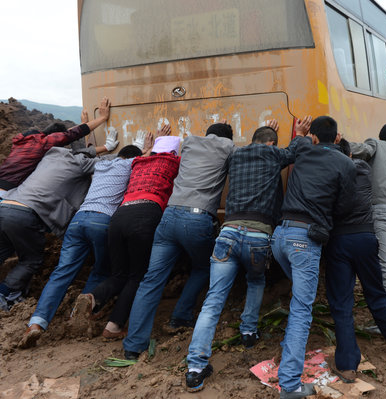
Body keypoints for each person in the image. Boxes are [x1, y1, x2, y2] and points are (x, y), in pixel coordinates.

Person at [184, 117, 312, 393]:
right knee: (255, 282)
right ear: (270, 143)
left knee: (213, 300)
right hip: (258, 234)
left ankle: (195, 368)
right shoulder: (273, 152)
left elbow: (259, 147)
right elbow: (294, 152)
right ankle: (248, 332)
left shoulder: (236, 154)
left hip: (227, 233)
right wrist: (300, 133)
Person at [121, 121, 236, 360]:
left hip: (169, 216)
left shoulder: (191, 142)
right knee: (204, 266)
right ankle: (181, 316)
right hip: (197, 218)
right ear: (228, 137)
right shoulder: (228, 146)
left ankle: (133, 346)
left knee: (151, 280)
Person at [17, 140, 147, 349]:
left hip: (78, 221)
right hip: (103, 221)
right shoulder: (131, 165)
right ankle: (81, 315)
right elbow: (142, 162)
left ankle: (36, 323)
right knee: (101, 270)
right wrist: (147, 149)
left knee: (62, 272)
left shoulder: (102, 165)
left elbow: (97, 158)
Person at [270, 116, 356, 399]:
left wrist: (300, 134)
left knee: (298, 293)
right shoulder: (346, 163)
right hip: (305, 240)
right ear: (337, 138)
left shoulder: (304, 149)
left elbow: (287, 153)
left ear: (315, 138)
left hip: (280, 236)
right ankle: (291, 385)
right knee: (301, 309)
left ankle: (289, 352)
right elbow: (344, 206)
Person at [70, 125, 181, 339]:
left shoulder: (138, 162)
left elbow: (147, 156)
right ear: (174, 154)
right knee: (137, 275)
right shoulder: (173, 162)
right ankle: (113, 327)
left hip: (119, 216)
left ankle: (93, 297)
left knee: (120, 274)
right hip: (145, 215)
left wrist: (152, 145)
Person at [324, 139, 386, 383]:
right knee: (377, 295)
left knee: (342, 304)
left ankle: (346, 366)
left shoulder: (331, 172)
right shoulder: (363, 170)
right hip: (366, 239)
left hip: (340, 242)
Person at [0, 143, 104, 311]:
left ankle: (14, 295)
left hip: (0, 209)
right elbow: (111, 163)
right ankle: (1, 295)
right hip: (24, 215)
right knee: (31, 259)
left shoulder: (49, 157)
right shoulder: (80, 163)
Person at [0, 98, 112, 253]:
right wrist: (101, 118)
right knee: (3, 250)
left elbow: (66, 136)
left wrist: (83, 124)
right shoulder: (42, 143)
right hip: (0, 198)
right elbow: (71, 135)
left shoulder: (20, 144)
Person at [348, 123, 386, 314]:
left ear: (380, 135)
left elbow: (362, 150)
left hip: (382, 214)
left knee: (384, 267)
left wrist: (340, 142)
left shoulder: (376, 144)